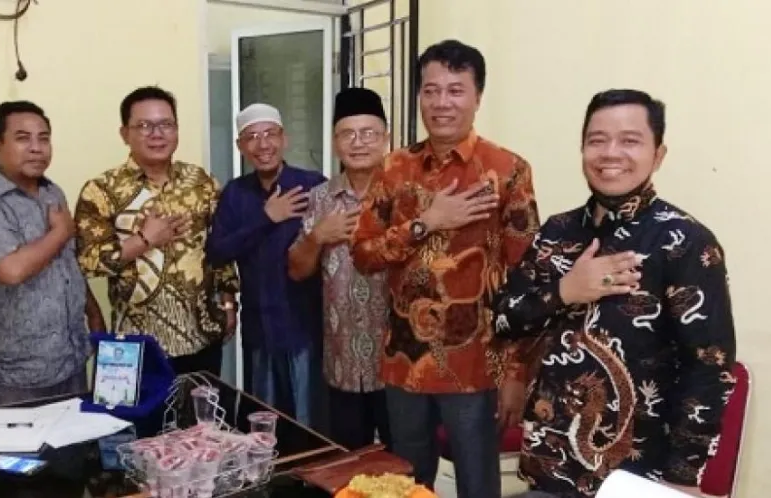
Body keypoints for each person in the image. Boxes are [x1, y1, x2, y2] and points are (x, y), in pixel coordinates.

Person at [495, 89, 737, 498]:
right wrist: (565, 290)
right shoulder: (557, 231)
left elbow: (710, 368)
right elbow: (504, 319)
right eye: (597, 140)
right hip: (552, 464)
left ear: (658, 155)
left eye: (630, 140)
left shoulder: (684, 241)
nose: (610, 153)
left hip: (639, 476)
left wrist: (682, 477)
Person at [351, 40, 542, 498]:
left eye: (456, 90)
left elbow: (528, 281)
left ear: (478, 97)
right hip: (404, 361)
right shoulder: (394, 169)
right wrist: (425, 223)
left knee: (477, 484)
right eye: (431, 90)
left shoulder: (508, 171)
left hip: (476, 364)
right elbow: (363, 255)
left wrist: (517, 373)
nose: (441, 103)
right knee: (409, 483)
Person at [74, 86, 239, 376]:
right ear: (124, 134)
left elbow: (221, 247)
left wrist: (228, 303)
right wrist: (144, 240)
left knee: (201, 407)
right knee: (139, 410)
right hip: (134, 344)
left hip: (201, 336)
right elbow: (88, 262)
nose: (157, 134)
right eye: (144, 126)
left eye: (166, 124)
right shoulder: (101, 190)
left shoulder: (201, 182)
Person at [0, 100, 104, 406]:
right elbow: (11, 270)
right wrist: (61, 232)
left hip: (71, 357)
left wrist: (92, 312)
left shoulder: (52, 192)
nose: (37, 148)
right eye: (23, 138)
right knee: (24, 440)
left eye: (44, 138)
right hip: (17, 370)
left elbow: (67, 264)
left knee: (75, 437)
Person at [208, 103, 326, 429]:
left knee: (310, 423)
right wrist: (266, 217)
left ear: (284, 138)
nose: (262, 145)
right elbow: (217, 251)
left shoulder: (312, 185)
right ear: (240, 146)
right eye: (252, 137)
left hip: (306, 328)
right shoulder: (235, 193)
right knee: (264, 423)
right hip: (260, 329)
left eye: (270, 134)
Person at [287, 87, 392, 450]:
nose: (358, 143)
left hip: (397, 364)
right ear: (335, 143)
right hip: (341, 361)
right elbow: (297, 270)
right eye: (347, 134)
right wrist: (317, 236)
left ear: (386, 138)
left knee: (402, 464)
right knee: (347, 460)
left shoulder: (405, 193)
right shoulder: (320, 198)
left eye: (368, 133)